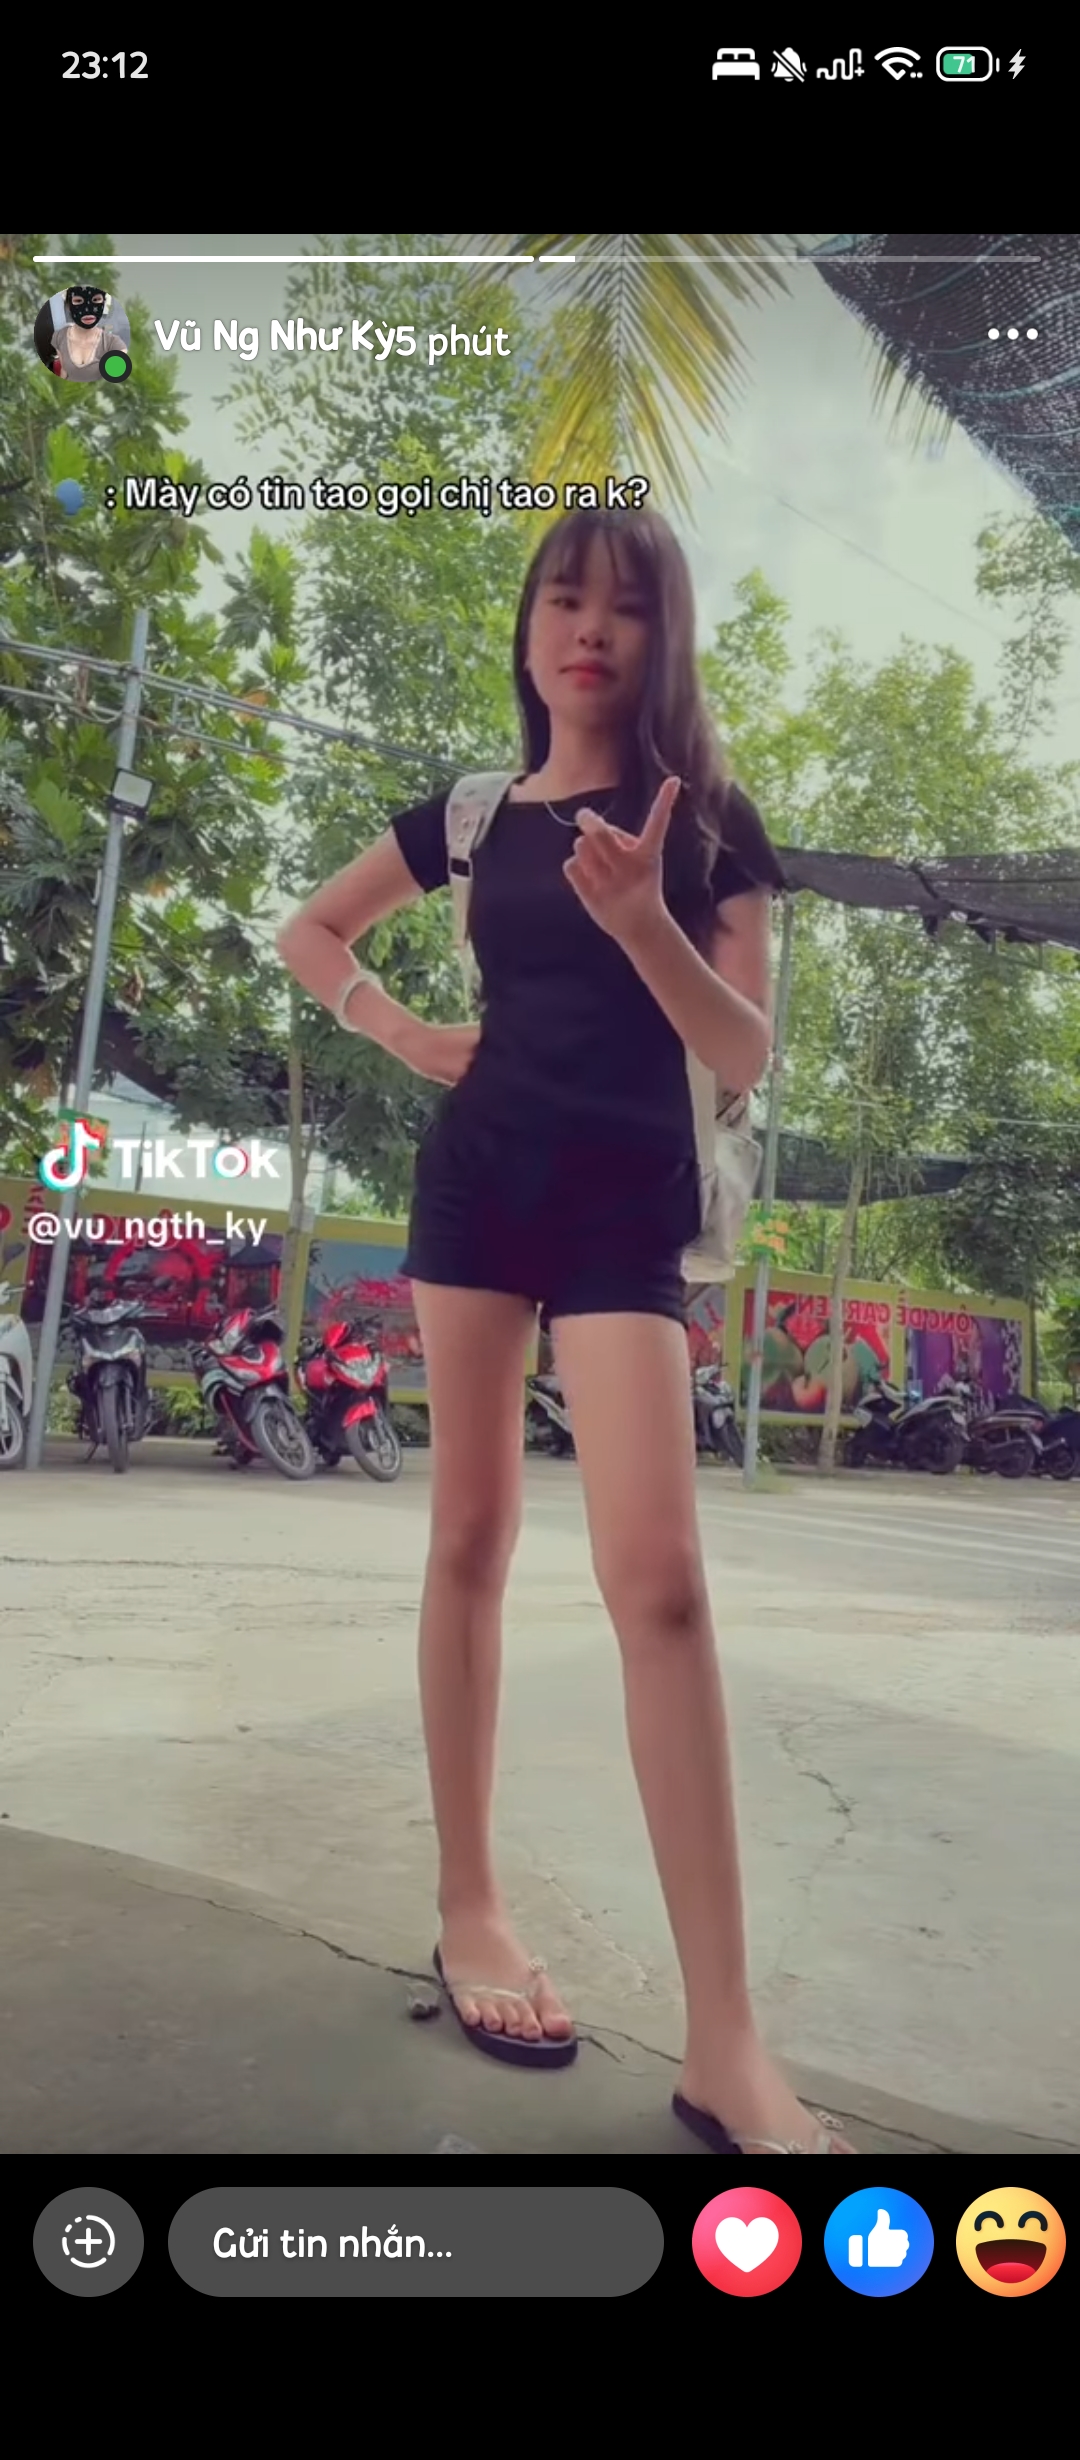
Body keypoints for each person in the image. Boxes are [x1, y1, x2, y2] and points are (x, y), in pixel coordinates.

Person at [277, 507, 855, 2154]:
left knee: (659, 1583)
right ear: (529, 628)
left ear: (664, 638)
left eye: (625, 606)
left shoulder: (713, 825)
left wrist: (645, 918)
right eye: (563, 599)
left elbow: (743, 1055)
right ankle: (469, 1909)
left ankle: (725, 2042)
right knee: (466, 1536)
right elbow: (311, 929)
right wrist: (401, 1031)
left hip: (623, 1215)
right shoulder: (473, 816)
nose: (589, 629)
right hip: (478, 1191)